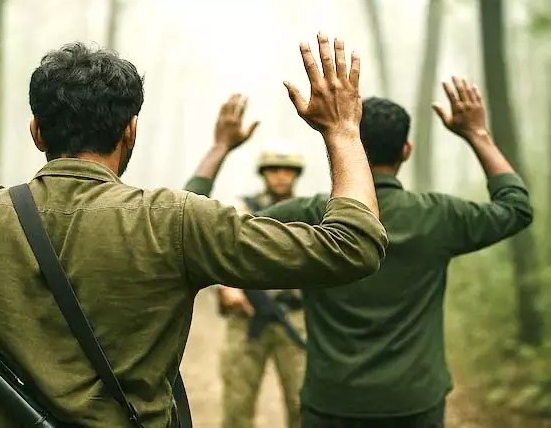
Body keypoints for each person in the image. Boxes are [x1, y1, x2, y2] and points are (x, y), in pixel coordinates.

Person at [0, 32, 388, 427]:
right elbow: (354, 247)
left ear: (37, 131)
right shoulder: (175, 221)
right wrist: (342, 131)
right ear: (130, 131)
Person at [184, 78, 533, 427]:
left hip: (331, 403)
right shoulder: (440, 217)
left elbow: (194, 226)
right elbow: (515, 208)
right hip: (415, 401)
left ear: (354, 147)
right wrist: (477, 134)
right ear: (406, 151)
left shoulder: (312, 213)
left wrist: (220, 147)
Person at [207, 101, 309, 428]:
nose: (281, 176)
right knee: (237, 404)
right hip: (248, 315)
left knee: (304, 404)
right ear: (264, 173)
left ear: (296, 174)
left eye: (287, 170)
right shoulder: (242, 209)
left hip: (295, 317)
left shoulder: (310, 212)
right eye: (274, 170)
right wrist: (227, 288)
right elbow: (218, 251)